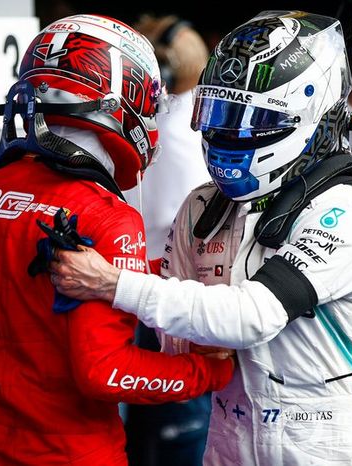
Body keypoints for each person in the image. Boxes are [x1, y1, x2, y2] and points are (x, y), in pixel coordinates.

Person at [49, 10, 352, 465]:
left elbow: (254, 317)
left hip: (319, 444)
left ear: (304, 114)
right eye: (219, 112)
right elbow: (177, 340)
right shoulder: (203, 205)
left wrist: (113, 283)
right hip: (229, 436)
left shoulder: (342, 213)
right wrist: (193, 320)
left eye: (248, 117)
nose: (227, 131)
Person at [0, 14, 234, 466]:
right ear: (123, 98)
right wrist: (210, 372)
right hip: (71, 453)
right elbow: (105, 372)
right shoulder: (109, 217)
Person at [121, 15, 212, 466]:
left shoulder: (158, 119)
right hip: (165, 288)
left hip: (149, 287)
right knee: (174, 434)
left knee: (159, 434)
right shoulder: (186, 119)